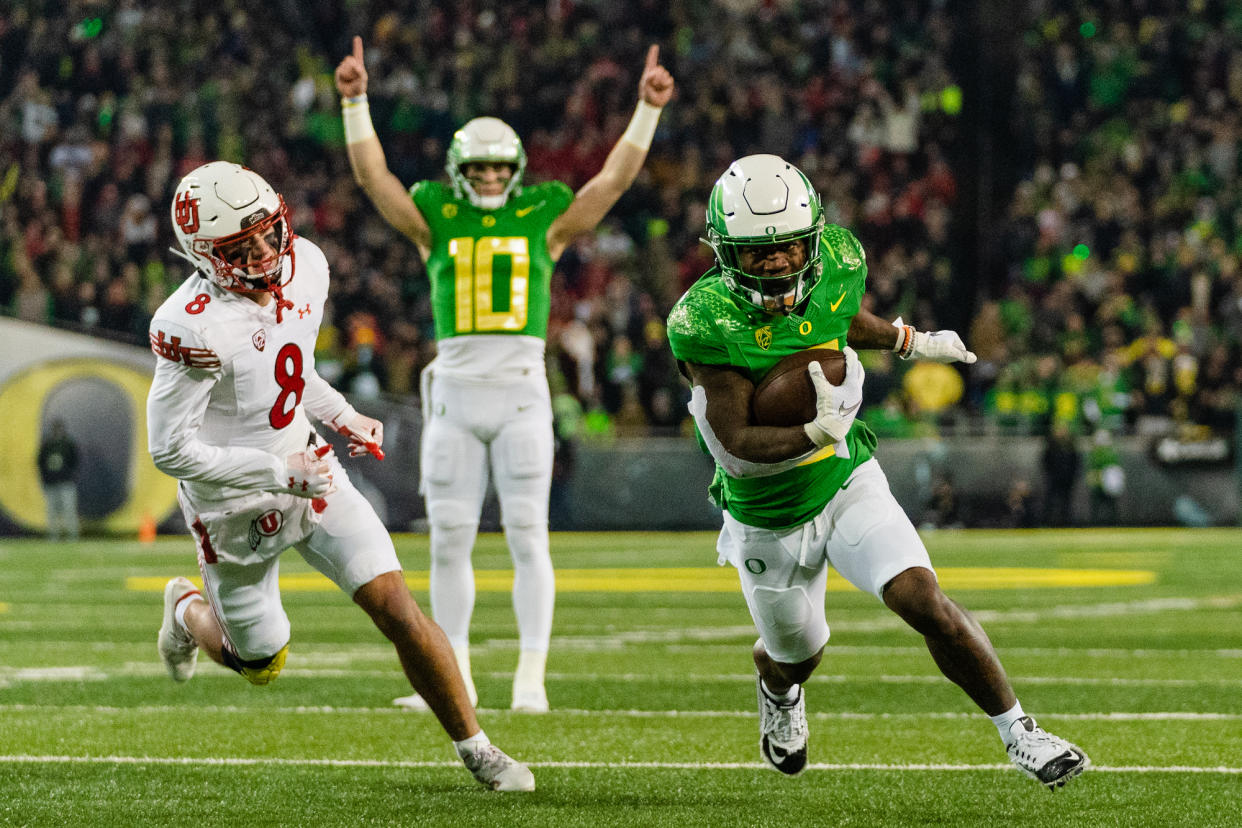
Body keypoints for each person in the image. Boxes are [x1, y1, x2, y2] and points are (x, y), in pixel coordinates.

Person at [666, 154, 1088, 788]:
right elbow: (734, 440)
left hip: (843, 475)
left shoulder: (837, 259)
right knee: (796, 656)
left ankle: (1021, 732)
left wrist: (907, 340)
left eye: (787, 245)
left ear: (810, 238)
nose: (778, 261)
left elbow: (838, 318)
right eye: (759, 251)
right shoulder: (705, 322)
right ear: (727, 253)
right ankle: (777, 688)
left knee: (925, 600)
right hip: (766, 511)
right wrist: (812, 429)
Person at [147, 161, 533, 792]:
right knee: (261, 660)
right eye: (242, 249)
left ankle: (479, 749)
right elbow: (170, 450)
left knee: (398, 608)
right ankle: (187, 609)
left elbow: (290, 375)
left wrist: (345, 415)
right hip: (232, 506)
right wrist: (278, 470)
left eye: (270, 234)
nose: (266, 254)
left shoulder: (308, 267)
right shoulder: (191, 326)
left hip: (311, 469)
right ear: (204, 257)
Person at [334, 36, 674, 713]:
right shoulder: (436, 213)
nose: (490, 180)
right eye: (480, 170)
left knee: (528, 536)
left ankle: (529, 679)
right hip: (457, 393)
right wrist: (355, 101)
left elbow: (612, 183)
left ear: (515, 171)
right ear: (462, 171)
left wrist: (646, 111)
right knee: (450, 539)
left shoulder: (542, 213)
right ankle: (449, 674)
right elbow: (376, 180)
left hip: (520, 393)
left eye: (499, 170)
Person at [37, 419, 80, 540]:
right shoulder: (47, 444)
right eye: (56, 428)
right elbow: (40, 462)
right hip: (51, 482)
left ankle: (72, 535)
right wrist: (45, 479)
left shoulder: (68, 444)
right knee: (51, 511)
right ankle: (53, 535)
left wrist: (70, 476)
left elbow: (75, 461)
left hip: (66, 482)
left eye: (59, 428)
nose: (57, 431)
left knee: (69, 509)